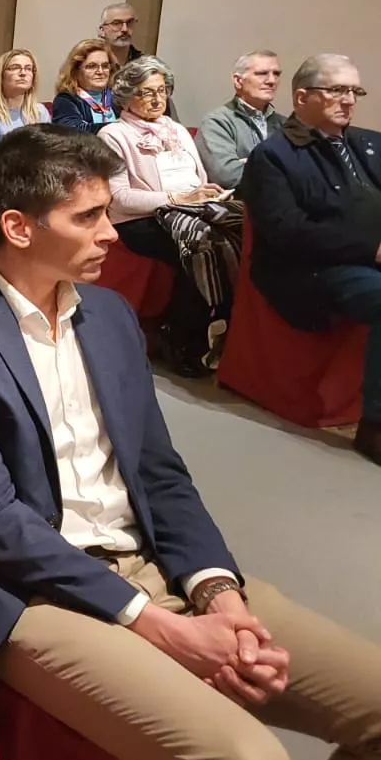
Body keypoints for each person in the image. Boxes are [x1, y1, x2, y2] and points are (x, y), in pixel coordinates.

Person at [0, 124, 381, 760]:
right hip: (26, 592)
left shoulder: (110, 315)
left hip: (152, 560)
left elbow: (159, 471)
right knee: (247, 757)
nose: (112, 233)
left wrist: (216, 590)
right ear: (18, 227)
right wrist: (155, 623)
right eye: (88, 216)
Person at [240, 53, 381, 463]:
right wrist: (370, 249)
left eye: (354, 91)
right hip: (310, 269)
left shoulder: (370, 143)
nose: (349, 100)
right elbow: (289, 231)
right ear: (302, 97)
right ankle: (374, 426)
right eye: (337, 90)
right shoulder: (274, 155)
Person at [100, 56, 239, 377]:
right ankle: (182, 340)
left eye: (162, 90)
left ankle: (223, 329)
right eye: (147, 92)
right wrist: (177, 199)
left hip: (190, 209)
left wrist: (206, 192)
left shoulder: (176, 130)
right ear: (126, 97)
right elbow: (119, 198)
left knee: (239, 235)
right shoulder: (113, 134)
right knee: (199, 250)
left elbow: (198, 178)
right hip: (138, 219)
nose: (157, 99)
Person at [198, 51, 285, 188]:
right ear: (238, 81)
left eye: (276, 74)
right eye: (262, 73)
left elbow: (304, 170)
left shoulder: (284, 124)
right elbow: (228, 177)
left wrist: (249, 163)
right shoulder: (216, 122)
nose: (272, 81)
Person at [0, 48, 50, 159]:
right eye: (15, 68)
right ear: (0, 76)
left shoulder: (40, 111)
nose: (23, 73)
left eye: (28, 69)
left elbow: (50, 153)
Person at [51, 38, 119, 134]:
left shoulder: (118, 96)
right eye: (91, 66)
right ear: (75, 71)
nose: (100, 71)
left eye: (105, 66)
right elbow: (73, 132)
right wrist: (121, 128)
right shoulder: (65, 100)